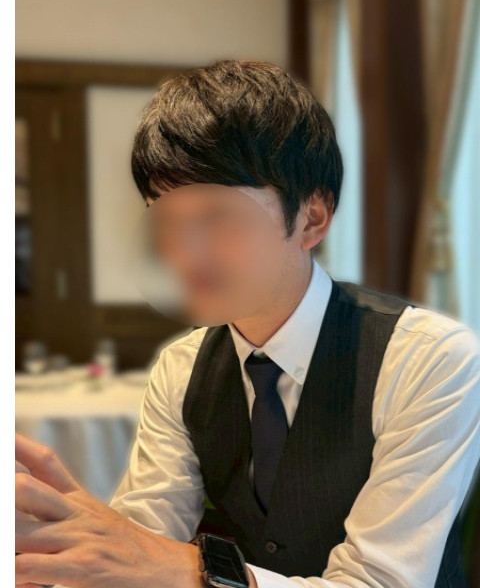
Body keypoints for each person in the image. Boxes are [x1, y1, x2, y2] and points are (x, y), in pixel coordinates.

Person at [15, 59, 480, 588]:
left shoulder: (429, 359)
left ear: (311, 219)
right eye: (165, 216)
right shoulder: (181, 368)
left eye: (218, 214)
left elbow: (379, 582)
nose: (184, 250)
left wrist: (187, 570)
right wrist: (70, 562)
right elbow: (147, 531)